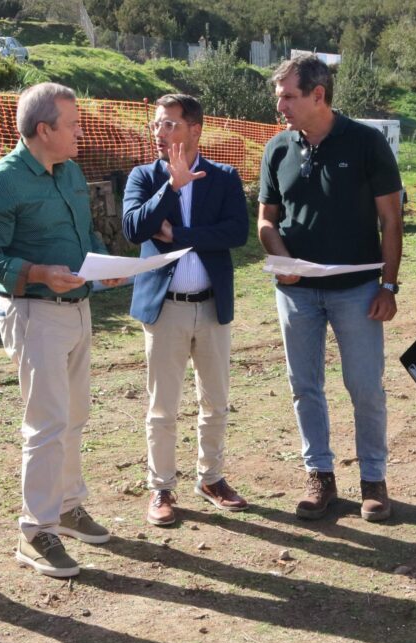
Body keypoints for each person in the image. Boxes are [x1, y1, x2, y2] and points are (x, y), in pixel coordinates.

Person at [0, 83, 124, 578]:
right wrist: (38, 272)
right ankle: (35, 531)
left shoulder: (72, 171)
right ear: (44, 130)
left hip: (78, 309)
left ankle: (67, 508)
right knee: (47, 424)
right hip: (35, 313)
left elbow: (86, 235)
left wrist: (105, 264)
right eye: (73, 124)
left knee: (74, 416)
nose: (81, 131)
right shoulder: (3, 180)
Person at [257, 54, 403, 522]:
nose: (280, 105)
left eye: (288, 96)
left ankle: (373, 480)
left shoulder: (366, 142)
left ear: (319, 95)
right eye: (279, 96)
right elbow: (265, 220)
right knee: (305, 386)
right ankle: (319, 475)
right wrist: (282, 260)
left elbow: (392, 219)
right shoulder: (277, 148)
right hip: (296, 293)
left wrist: (389, 285)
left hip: (357, 291)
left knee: (364, 386)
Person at [122, 94, 250, 527]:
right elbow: (134, 227)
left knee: (215, 401)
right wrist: (170, 188)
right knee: (163, 407)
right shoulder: (143, 176)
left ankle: (211, 478)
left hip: (211, 307)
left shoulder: (225, 177)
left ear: (196, 129)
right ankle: (161, 487)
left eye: (171, 125)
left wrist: (180, 234)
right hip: (165, 309)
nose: (160, 133)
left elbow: (235, 232)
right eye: (157, 125)